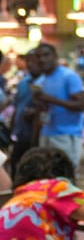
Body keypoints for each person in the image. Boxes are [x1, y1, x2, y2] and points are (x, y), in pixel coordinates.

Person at [31, 43, 84, 171]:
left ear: (55, 56)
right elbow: (42, 110)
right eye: (38, 56)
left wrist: (51, 99)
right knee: (47, 176)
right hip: (46, 133)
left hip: (67, 134)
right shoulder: (40, 81)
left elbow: (80, 105)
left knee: (66, 176)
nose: (42, 59)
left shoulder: (69, 76)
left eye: (46, 55)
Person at [8, 49, 40, 181]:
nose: (31, 64)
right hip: (21, 134)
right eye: (28, 61)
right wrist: (12, 129)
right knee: (15, 166)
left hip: (38, 136)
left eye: (34, 61)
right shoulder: (23, 83)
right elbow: (17, 106)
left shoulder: (45, 82)